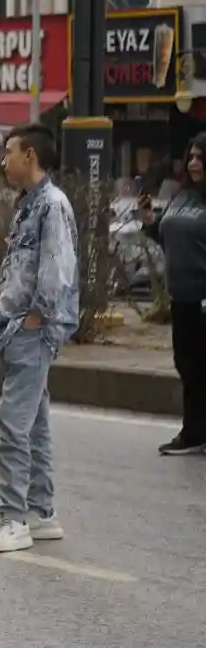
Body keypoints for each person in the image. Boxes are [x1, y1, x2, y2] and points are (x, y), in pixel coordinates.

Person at [0, 122, 78, 554]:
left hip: (29, 330)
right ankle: (41, 513)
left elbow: (56, 269)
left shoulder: (52, 205)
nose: (4, 160)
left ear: (30, 156)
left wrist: (36, 319)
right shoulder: (28, 204)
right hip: (18, 328)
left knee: (13, 425)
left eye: (9, 152)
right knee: (34, 425)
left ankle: (13, 519)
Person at [141, 134, 206, 455]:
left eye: (201, 158)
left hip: (203, 299)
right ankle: (196, 432)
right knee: (187, 366)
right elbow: (169, 241)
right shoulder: (183, 196)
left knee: (199, 368)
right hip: (182, 299)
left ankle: (194, 433)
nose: (194, 163)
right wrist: (150, 222)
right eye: (192, 156)